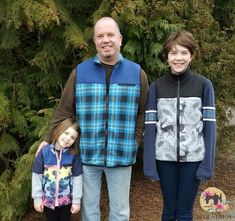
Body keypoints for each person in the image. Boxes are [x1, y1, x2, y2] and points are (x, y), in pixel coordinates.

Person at [37, 17, 149, 221]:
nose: (105, 40)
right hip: (87, 155)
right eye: (100, 36)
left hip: (122, 153)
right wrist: (47, 139)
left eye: (110, 35)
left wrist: (135, 140)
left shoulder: (137, 73)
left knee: (120, 211)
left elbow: (144, 111)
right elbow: (64, 110)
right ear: (95, 41)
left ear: (120, 39)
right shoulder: (80, 72)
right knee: (89, 211)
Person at [143, 30, 216, 220]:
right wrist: (149, 163)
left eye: (184, 53)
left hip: (193, 160)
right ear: (167, 57)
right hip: (164, 160)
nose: (178, 58)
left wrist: (207, 164)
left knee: (184, 211)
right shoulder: (156, 87)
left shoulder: (203, 85)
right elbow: (150, 127)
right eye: (173, 53)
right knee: (169, 209)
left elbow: (210, 128)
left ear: (191, 56)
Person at [32, 118, 82, 221]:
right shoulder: (44, 152)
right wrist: (37, 198)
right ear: (59, 130)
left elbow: (77, 178)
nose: (68, 138)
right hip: (48, 201)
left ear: (75, 141)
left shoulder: (73, 155)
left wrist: (76, 201)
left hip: (66, 201)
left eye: (72, 137)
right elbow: (37, 175)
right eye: (66, 133)